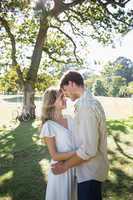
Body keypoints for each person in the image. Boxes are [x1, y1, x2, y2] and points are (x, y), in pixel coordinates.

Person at [52, 70, 109, 200]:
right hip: (92, 171)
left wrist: (64, 166)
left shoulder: (85, 107)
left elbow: (88, 150)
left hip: (90, 173)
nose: (64, 95)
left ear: (71, 83)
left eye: (64, 90)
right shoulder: (90, 102)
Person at [40, 87, 77, 200]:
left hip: (76, 166)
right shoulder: (49, 126)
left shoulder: (70, 118)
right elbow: (55, 155)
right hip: (61, 171)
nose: (65, 99)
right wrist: (79, 152)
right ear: (52, 103)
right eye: (61, 97)